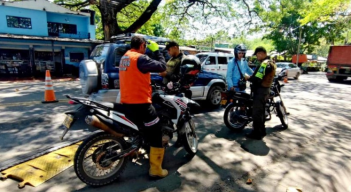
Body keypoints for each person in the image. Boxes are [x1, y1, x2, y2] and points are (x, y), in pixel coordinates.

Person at [119, 36, 168, 178]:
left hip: (126, 102)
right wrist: (158, 51)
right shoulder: (140, 58)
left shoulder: (125, 57)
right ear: (141, 45)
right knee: (156, 132)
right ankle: (156, 170)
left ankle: (139, 148)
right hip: (140, 104)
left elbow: (134, 75)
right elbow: (162, 67)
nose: (146, 49)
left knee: (141, 129)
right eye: (145, 46)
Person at [246, 46, 277, 140]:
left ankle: (257, 133)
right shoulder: (270, 63)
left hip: (260, 91)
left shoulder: (264, 64)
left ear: (263, 54)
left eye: (258, 54)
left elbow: (257, 79)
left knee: (257, 113)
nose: (257, 56)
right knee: (261, 112)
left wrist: (248, 78)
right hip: (264, 90)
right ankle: (262, 131)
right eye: (256, 54)